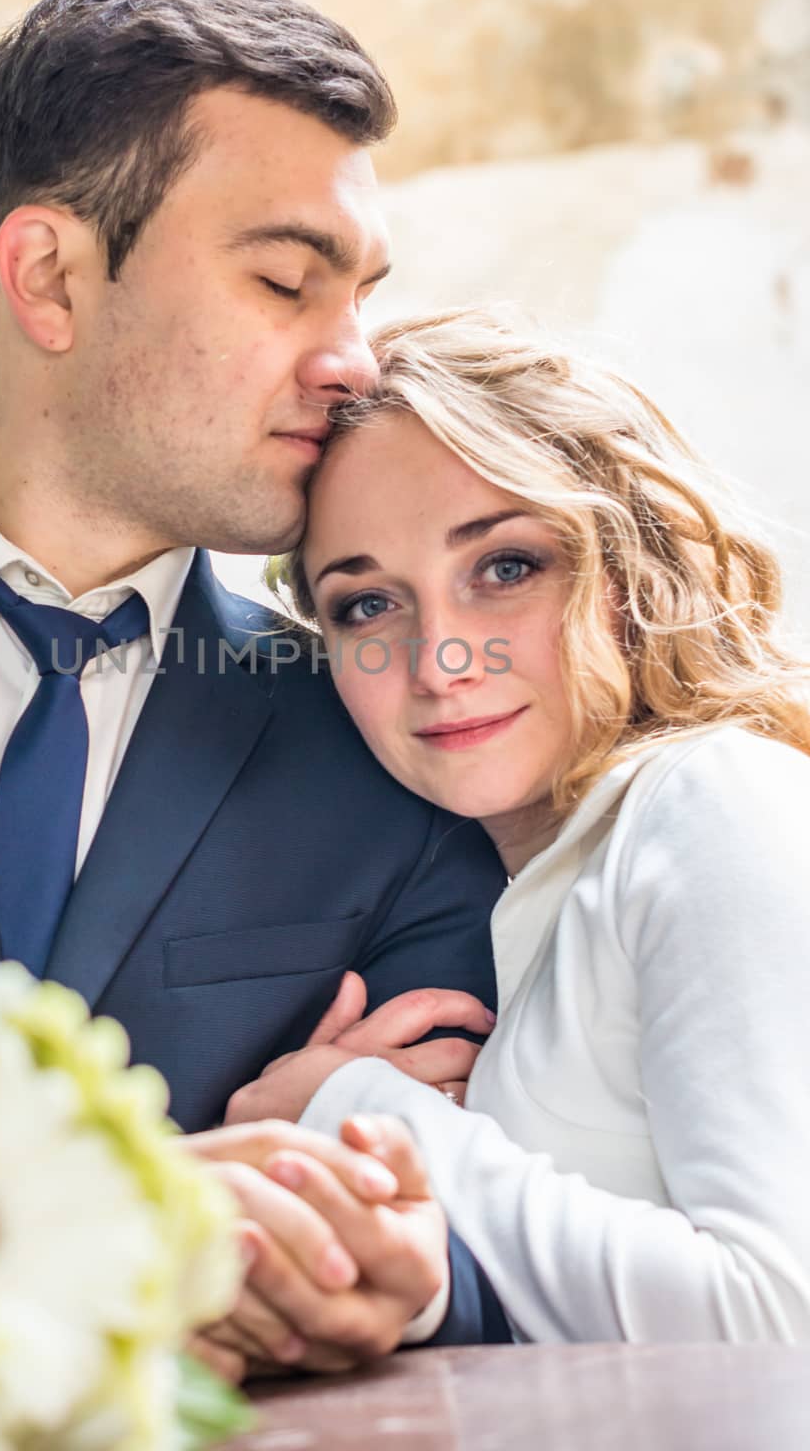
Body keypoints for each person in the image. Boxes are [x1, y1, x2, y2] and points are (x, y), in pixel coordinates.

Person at [0, 0, 509, 1376]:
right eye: (287, 280)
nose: (354, 360)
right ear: (47, 275)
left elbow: (483, 1243)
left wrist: (402, 1265)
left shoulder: (399, 737)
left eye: (361, 295)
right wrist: (160, 1207)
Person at [229, 306, 810, 1342]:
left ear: (628, 573)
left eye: (502, 567)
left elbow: (776, 1314)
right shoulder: (540, 888)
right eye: (366, 604)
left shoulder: (711, 801)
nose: (440, 661)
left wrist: (347, 1109)